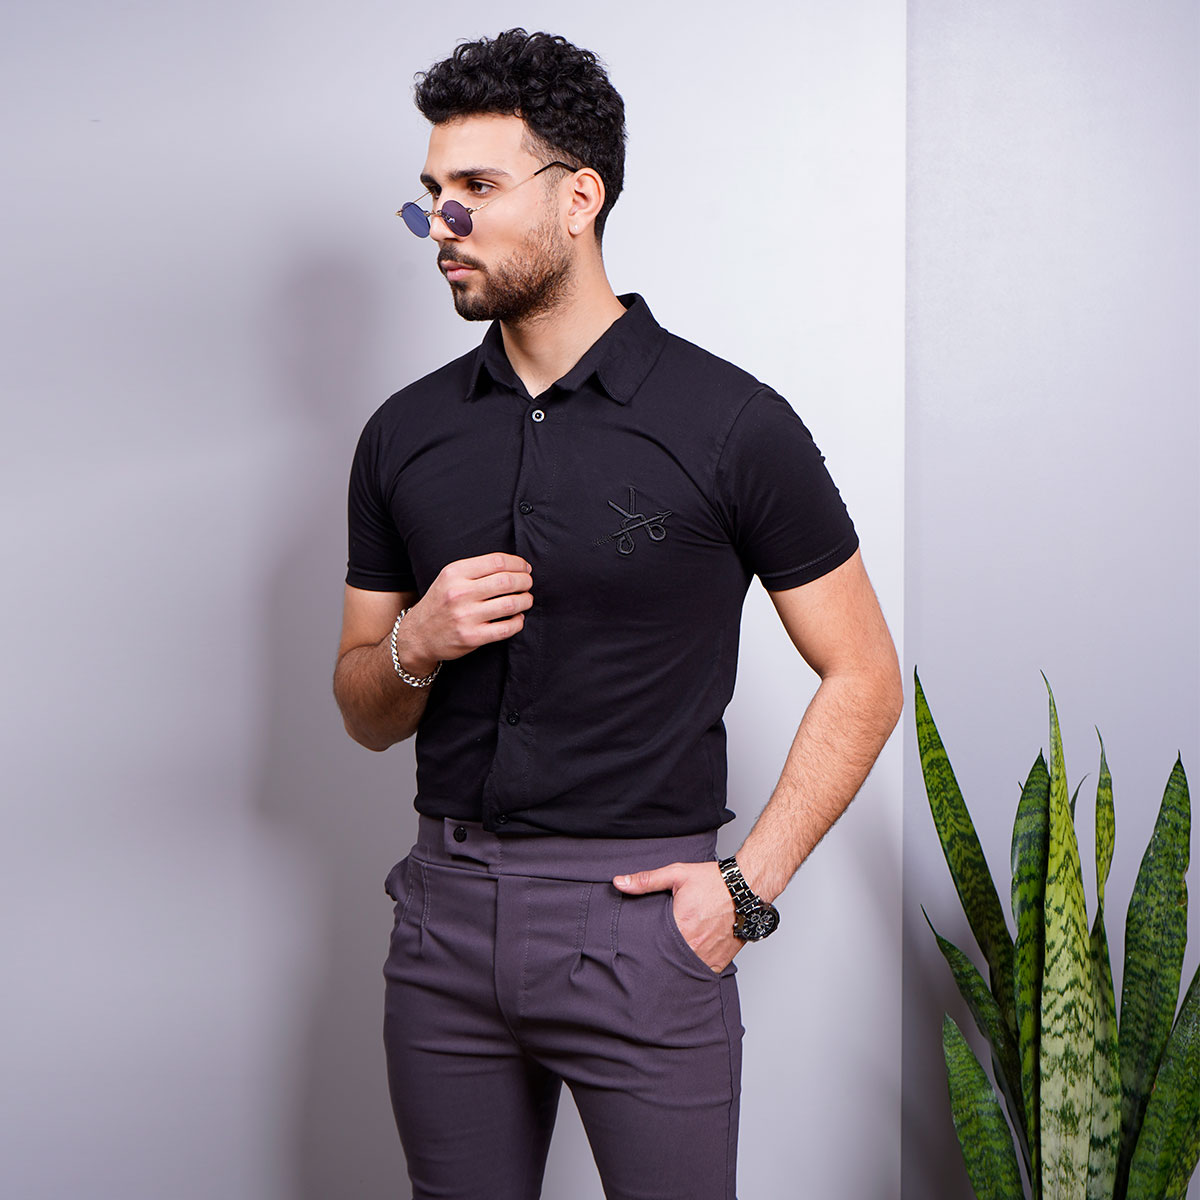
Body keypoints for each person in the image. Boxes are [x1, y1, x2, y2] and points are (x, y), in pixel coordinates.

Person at [333, 28, 902, 1200]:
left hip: (641, 927)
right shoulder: (403, 434)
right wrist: (415, 643)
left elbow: (865, 673)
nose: (441, 224)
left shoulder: (732, 423)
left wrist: (742, 892)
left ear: (579, 197)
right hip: (443, 924)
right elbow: (363, 710)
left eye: (476, 188)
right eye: (430, 193)